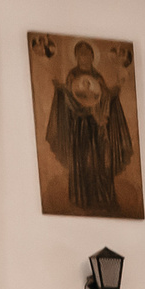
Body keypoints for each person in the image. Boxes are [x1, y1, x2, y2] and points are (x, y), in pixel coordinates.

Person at [44, 39, 135, 216]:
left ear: (92, 57)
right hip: (80, 129)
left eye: (87, 54)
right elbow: (71, 100)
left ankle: (104, 199)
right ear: (77, 57)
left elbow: (105, 98)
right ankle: (83, 200)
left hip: (99, 129)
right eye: (81, 54)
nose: (84, 58)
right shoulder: (72, 76)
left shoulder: (98, 78)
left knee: (102, 163)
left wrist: (114, 92)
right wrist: (61, 90)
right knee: (83, 163)